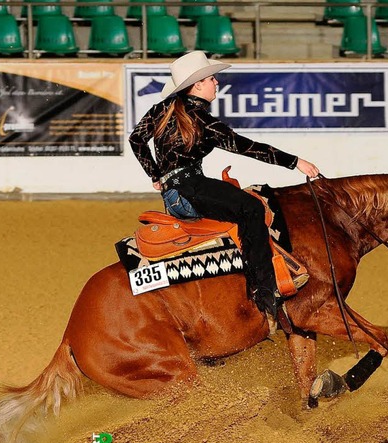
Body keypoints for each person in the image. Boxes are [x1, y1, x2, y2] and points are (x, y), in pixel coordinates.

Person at [129, 51, 320, 320]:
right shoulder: (204, 121)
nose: (216, 82)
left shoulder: (163, 109)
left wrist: (156, 175)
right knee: (252, 208)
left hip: (173, 196)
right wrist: (295, 162)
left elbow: (136, 139)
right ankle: (265, 289)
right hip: (192, 189)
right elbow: (246, 147)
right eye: (211, 79)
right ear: (197, 85)